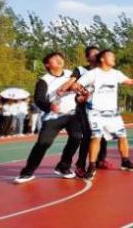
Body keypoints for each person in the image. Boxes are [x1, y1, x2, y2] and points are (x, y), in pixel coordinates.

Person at [75, 49, 133, 181]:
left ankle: (125, 161)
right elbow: (77, 84)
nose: (114, 58)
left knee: (122, 136)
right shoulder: (93, 74)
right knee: (96, 137)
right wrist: (83, 94)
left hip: (113, 113)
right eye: (111, 56)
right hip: (96, 111)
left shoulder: (116, 74)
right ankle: (91, 166)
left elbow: (131, 81)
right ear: (102, 59)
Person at [14, 52, 82, 184]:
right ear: (47, 64)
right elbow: (39, 99)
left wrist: (80, 94)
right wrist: (49, 106)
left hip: (73, 114)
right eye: (55, 59)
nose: (59, 60)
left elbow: (81, 85)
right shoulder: (44, 80)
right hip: (54, 116)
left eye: (60, 58)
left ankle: (63, 166)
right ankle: (27, 172)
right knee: (43, 144)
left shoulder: (71, 75)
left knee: (76, 137)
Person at [58, 46, 111, 178]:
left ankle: (99, 160)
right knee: (87, 135)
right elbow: (71, 83)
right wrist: (65, 88)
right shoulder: (81, 70)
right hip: (82, 107)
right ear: (87, 57)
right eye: (94, 54)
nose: (97, 55)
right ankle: (80, 165)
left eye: (99, 53)